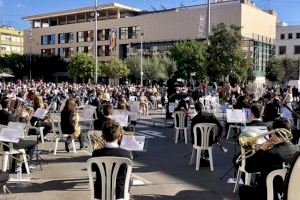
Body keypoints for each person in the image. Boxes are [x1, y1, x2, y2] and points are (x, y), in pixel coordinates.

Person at [239, 118, 298, 200]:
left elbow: (248, 168)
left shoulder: (270, 153)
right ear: (290, 131)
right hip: (290, 194)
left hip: (266, 195)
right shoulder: (297, 151)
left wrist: (262, 149)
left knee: (242, 189)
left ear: (273, 132)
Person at [92, 120, 132, 199]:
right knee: (129, 180)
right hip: (119, 194)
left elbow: (93, 168)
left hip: (100, 193)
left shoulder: (96, 153)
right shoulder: (126, 154)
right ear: (120, 136)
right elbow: (126, 172)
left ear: (102, 136)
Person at [0, 98, 37, 171]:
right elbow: (20, 130)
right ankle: (26, 167)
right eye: (12, 104)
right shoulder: (9, 116)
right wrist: (24, 118)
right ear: (8, 105)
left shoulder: (4, 114)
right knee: (33, 143)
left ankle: (14, 166)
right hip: (11, 143)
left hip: (3, 143)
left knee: (17, 140)